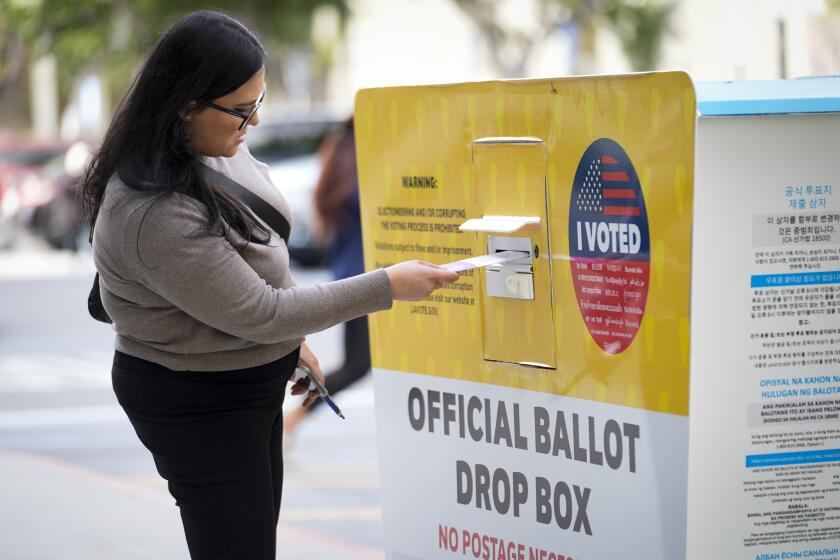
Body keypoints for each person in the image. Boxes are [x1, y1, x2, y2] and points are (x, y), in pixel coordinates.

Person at [81, 11, 458, 560]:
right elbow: (260, 312)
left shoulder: (212, 145)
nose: (253, 122)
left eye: (259, 102)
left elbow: (256, 274)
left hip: (242, 378)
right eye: (241, 109)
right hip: (196, 400)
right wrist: (387, 286)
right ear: (185, 104)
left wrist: (289, 347)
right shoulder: (151, 210)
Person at [283, 118, 369, 438]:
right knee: (358, 364)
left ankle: (292, 421)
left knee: (359, 363)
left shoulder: (340, 152)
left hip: (354, 275)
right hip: (367, 278)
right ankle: (292, 421)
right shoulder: (360, 161)